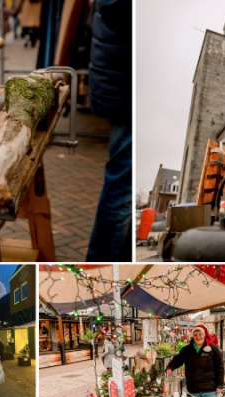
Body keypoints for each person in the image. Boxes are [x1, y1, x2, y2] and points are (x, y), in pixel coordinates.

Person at [86, 0, 131, 262]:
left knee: (122, 190)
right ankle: (99, 271)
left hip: (123, 80)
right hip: (124, 83)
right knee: (121, 192)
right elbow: (115, 5)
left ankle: (108, 269)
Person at [165, 325, 224, 397]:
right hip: (193, 390)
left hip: (210, 390)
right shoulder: (186, 350)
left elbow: (220, 368)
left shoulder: (213, 349)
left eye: (200, 334)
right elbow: (177, 359)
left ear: (204, 335)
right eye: (195, 335)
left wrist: (220, 385)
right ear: (193, 336)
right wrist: (170, 367)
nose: (198, 337)